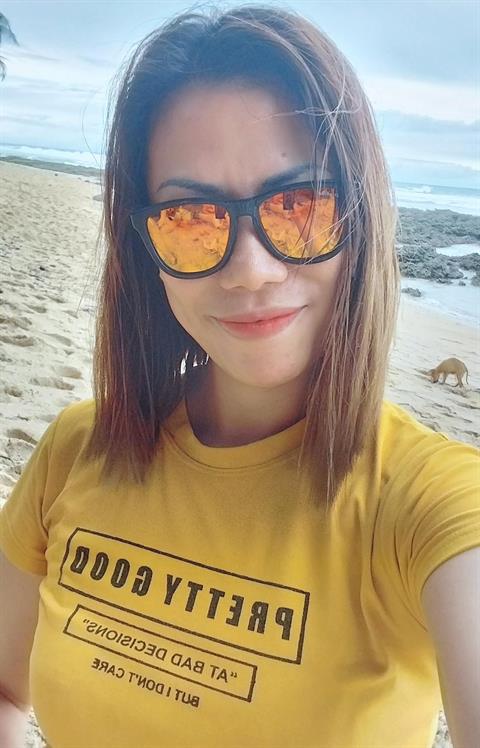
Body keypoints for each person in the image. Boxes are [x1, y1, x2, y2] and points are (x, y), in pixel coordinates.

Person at [0, 5, 479, 748]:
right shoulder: (75, 448)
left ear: (361, 220)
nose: (251, 270)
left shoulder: (431, 504)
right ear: (146, 251)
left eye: (300, 206)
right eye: (189, 218)